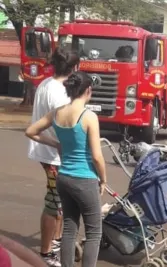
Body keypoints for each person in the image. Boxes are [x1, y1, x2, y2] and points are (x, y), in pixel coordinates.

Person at [25, 71, 107, 267]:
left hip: (64, 177)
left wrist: (56, 144)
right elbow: (97, 156)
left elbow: (31, 131)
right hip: (85, 179)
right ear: (88, 90)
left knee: (70, 229)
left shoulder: (57, 113)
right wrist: (103, 179)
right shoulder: (89, 117)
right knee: (94, 232)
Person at [26, 48, 80, 267]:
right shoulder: (58, 92)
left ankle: (56, 243)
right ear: (75, 68)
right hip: (53, 154)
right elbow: (62, 127)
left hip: (50, 152)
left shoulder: (47, 84)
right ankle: (47, 252)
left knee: (60, 202)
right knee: (55, 204)